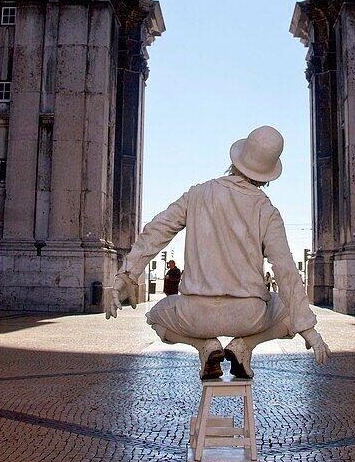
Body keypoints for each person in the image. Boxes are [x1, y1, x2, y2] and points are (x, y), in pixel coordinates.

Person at [108, 125, 331, 380]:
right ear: (267, 176)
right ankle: (244, 346)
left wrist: (127, 275)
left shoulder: (197, 194)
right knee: (290, 312)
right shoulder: (267, 210)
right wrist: (309, 329)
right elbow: (286, 270)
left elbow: (156, 231)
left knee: (155, 317)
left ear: (236, 160)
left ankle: (204, 346)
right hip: (250, 317)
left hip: (195, 316)